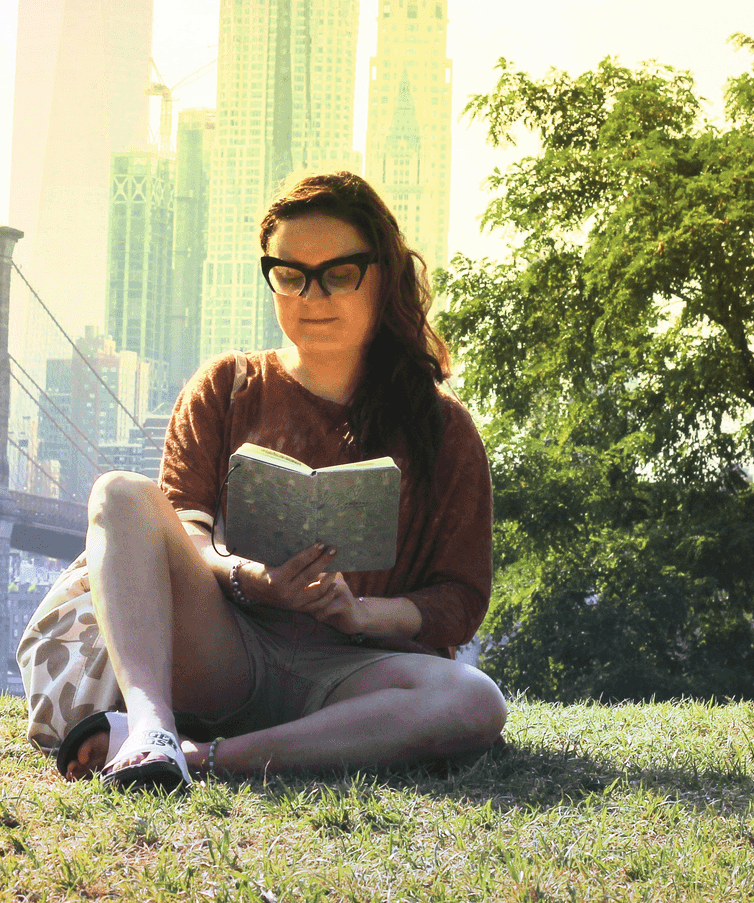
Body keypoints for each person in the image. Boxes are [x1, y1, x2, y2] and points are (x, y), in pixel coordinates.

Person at [59, 171, 507, 787]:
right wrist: (252, 579)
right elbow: (184, 537)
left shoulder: (443, 429)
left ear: (384, 277)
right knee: (119, 492)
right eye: (290, 275)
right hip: (228, 651)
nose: (311, 296)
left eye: (339, 273)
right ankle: (150, 731)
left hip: (359, 674)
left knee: (476, 700)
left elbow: (459, 602)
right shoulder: (225, 387)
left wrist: (359, 614)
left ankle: (201, 758)